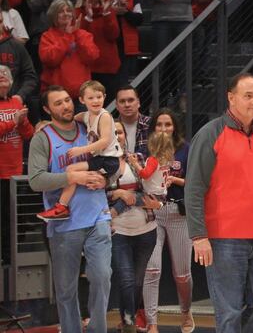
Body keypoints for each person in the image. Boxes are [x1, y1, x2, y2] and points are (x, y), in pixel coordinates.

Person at [186, 73, 253, 332]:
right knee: (228, 312)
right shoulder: (210, 134)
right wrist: (199, 236)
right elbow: (194, 188)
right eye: (248, 95)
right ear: (231, 98)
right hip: (223, 239)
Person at [28, 85, 112, 333]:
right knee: (65, 289)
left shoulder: (91, 126)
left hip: (98, 215)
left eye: (67, 100)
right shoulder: (43, 138)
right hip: (64, 221)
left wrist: (107, 180)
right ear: (46, 109)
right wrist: (72, 178)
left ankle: (98, 329)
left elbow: (113, 160)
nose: (65, 106)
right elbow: (35, 180)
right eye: (57, 103)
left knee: (102, 276)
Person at [37, 80, 123, 223]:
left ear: (105, 96)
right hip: (101, 159)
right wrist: (48, 125)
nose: (96, 101)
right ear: (82, 100)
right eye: (91, 98)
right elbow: (68, 121)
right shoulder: (85, 115)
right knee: (90, 182)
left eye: (99, 97)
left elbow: (104, 141)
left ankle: (62, 207)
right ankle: (103, 222)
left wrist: (81, 150)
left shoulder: (105, 116)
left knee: (72, 169)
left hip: (108, 160)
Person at [142, 108, 194, 333]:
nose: (163, 129)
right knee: (151, 270)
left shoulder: (185, 149)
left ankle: (186, 311)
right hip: (153, 213)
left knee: (182, 274)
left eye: (168, 124)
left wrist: (175, 179)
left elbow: (197, 181)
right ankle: (152, 322)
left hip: (178, 212)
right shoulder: (147, 149)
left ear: (175, 127)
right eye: (159, 125)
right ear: (153, 127)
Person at [109, 121, 160, 333]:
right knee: (127, 279)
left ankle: (128, 320)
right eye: (112, 132)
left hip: (146, 230)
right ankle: (129, 324)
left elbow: (155, 192)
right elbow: (95, 196)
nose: (117, 135)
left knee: (138, 282)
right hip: (118, 231)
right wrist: (118, 194)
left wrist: (147, 200)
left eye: (119, 132)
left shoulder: (138, 159)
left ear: (125, 136)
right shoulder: (98, 164)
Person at [38, 0, 99, 101]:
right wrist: (67, 36)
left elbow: (92, 57)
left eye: (69, 10)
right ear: (53, 16)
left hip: (82, 96)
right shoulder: (47, 36)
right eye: (61, 11)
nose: (66, 14)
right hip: (55, 96)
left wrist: (77, 34)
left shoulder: (83, 35)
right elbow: (50, 60)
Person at [75, 0, 123, 99]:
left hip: (108, 66)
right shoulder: (77, 12)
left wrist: (106, 15)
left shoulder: (108, 10)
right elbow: (79, 38)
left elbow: (113, 35)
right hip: (87, 68)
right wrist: (88, 18)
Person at [101, 0, 143, 85]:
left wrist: (125, 12)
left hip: (127, 46)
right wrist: (112, 11)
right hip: (106, 45)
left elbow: (139, 19)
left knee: (126, 84)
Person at [0, 65, 33, 183]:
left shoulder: (16, 102)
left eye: (5, 73)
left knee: (12, 201)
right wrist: (14, 121)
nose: (2, 75)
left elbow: (28, 134)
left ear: (11, 81)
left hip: (15, 168)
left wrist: (22, 122)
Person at [116, 86, 150, 156]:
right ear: (116, 105)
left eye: (131, 100)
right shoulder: (110, 127)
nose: (127, 105)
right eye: (122, 101)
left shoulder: (151, 124)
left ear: (138, 102)